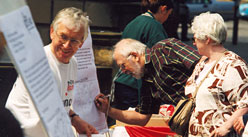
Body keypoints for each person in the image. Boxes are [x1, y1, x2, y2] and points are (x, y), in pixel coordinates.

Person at [5, 7, 98, 137]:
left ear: (81, 43)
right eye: (63, 37)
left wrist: (74, 118)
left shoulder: (73, 62)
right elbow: (43, 122)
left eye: (74, 40)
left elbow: (61, 102)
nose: (66, 45)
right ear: (52, 32)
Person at [95, 38, 200, 126]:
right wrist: (107, 110)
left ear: (135, 56)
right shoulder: (146, 81)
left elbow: (203, 64)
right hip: (194, 120)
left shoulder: (164, 49)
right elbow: (141, 117)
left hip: (209, 107)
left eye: (123, 65)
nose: (123, 71)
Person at [184, 12, 248, 137]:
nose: (193, 43)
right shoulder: (203, 63)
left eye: (195, 38)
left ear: (207, 39)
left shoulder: (233, 65)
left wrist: (226, 127)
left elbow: (244, 102)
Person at [113, 0, 174, 111]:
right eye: (169, 14)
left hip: (122, 83)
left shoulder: (133, 22)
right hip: (136, 87)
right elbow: (162, 60)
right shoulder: (155, 26)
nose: (167, 19)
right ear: (163, 9)